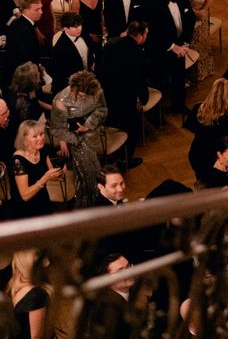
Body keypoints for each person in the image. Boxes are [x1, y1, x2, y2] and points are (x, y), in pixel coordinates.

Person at [49, 70, 107, 207]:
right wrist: (74, 140)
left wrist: (88, 126)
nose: (85, 97)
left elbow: (102, 110)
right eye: (82, 95)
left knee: (96, 169)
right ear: (74, 89)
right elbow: (58, 128)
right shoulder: (61, 100)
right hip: (75, 140)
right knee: (87, 173)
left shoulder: (96, 90)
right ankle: (88, 205)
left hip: (93, 133)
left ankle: (99, 201)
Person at [96, 21, 149, 162]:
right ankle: (126, 159)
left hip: (107, 93)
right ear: (140, 36)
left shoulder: (111, 43)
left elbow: (100, 67)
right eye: (146, 34)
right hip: (126, 97)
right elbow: (140, 79)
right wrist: (144, 98)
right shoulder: (138, 53)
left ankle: (112, 154)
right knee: (132, 127)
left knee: (113, 123)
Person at [144, 0, 195, 113]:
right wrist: (172, 47)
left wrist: (185, 44)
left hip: (181, 46)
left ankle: (179, 105)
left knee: (179, 76)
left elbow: (190, 20)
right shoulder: (151, 3)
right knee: (158, 79)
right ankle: (157, 113)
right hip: (161, 49)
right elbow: (154, 32)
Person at [186, 77, 228, 182]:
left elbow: (191, 127)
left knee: (201, 179)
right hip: (211, 159)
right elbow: (224, 144)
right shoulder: (224, 120)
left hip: (196, 153)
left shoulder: (198, 108)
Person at [176, 0, 215, 81]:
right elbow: (179, 1)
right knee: (191, 42)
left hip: (203, 12)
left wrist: (203, 10)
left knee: (203, 42)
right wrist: (195, 12)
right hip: (187, 14)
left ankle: (204, 71)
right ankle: (190, 74)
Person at [12, 119, 63, 218]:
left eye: (41, 134)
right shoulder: (18, 160)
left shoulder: (42, 150)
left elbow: (51, 175)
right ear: (24, 140)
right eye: (35, 136)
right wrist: (45, 178)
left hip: (42, 199)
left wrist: (59, 172)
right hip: (25, 209)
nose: (40, 138)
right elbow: (25, 196)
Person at [3, 0, 44, 91]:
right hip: (22, 77)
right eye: (37, 9)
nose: (41, 12)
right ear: (26, 10)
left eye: (41, 8)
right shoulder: (22, 28)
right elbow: (24, 56)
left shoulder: (24, 23)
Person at [70, 0, 104, 69]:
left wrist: (104, 27)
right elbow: (74, 24)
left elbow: (101, 13)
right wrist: (89, 35)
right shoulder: (76, 0)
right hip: (84, 34)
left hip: (99, 31)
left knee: (100, 61)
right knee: (88, 63)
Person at [48, 11, 88, 95]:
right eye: (75, 27)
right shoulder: (59, 49)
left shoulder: (83, 34)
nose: (79, 28)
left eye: (80, 25)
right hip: (69, 88)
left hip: (86, 81)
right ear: (66, 29)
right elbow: (57, 74)